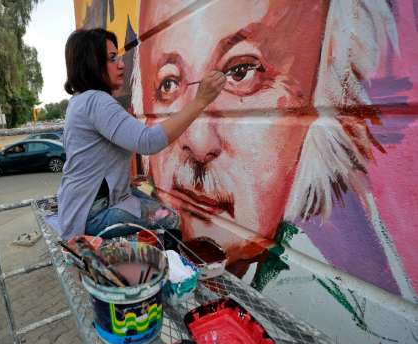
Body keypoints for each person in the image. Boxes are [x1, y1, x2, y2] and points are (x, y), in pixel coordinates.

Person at [131, 0, 415, 299]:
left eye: (240, 72)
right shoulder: (154, 238)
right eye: (168, 83)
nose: (199, 142)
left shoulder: (355, 306)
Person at [57, 28, 226, 240]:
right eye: (111, 58)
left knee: (150, 194)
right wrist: (201, 101)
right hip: (93, 212)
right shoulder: (97, 101)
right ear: (92, 63)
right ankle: (164, 270)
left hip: (80, 202)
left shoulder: (79, 100)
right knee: (169, 218)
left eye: (118, 56)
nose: (121, 63)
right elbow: (148, 141)